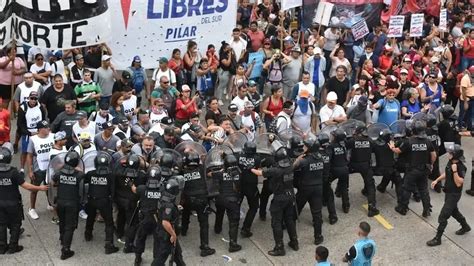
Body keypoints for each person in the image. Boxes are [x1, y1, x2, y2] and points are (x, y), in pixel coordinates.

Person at [0, 146, 48, 254]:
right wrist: (39, 188)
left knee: (1, 224)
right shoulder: (13, 172)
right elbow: (27, 186)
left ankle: (2, 247)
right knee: (16, 224)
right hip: (13, 204)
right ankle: (13, 247)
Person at [252, 147, 298, 256]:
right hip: (290, 196)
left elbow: (259, 173)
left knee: (276, 223)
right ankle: (294, 242)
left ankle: (279, 248)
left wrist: (250, 169)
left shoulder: (275, 170)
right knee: (289, 220)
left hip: (279, 199)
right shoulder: (291, 166)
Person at [389, 121, 437, 217]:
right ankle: (426, 210)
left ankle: (402, 208)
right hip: (424, 169)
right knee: (423, 190)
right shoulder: (427, 141)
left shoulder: (408, 141)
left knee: (406, 189)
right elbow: (434, 155)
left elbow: (398, 151)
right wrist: (431, 164)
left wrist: (392, 147)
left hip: (412, 170)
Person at [427, 144, 471, 246]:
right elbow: (447, 173)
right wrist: (437, 180)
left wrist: (455, 170)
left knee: (443, 216)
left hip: (454, 195)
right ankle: (465, 226)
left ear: (455, 155)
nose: (448, 154)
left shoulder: (461, 167)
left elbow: (459, 182)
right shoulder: (450, 162)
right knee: (454, 212)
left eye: (450, 153)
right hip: (448, 193)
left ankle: (438, 239)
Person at [180, 151, 216, 257]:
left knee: (186, 214)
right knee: (204, 223)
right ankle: (204, 247)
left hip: (187, 199)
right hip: (201, 199)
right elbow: (205, 162)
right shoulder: (201, 168)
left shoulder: (182, 171)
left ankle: (184, 230)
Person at [83, 152, 119, 254]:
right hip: (104, 201)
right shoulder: (111, 175)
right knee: (109, 223)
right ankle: (109, 245)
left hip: (91, 200)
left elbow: (84, 183)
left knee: (90, 217)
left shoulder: (91, 174)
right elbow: (113, 190)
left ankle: (88, 234)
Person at [51, 151, 84, 260]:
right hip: (72, 203)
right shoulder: (79, 175)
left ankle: (62, 238)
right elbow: (82, 176)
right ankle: (65, 250)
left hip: (60, 202)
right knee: (70, 226)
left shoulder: (59, 174)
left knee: (63, 221)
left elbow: (53, 182)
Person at [294, 139, 324, 245]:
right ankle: (318, 236)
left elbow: (292, 168)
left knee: (296, 208)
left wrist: (297, 159)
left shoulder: (304, 160)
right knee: (317, 213)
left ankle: (290, 232)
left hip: (305, 188)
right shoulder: (321, 158)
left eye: (305, 146)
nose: (303, 148)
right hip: (318, 188)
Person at [346, 124, 379, 217]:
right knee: (370, 184)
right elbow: (375, 149)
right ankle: (372, 207)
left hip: (353, 165)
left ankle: (340, 193)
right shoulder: (370, 141)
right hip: (365, 165)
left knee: (343, 177)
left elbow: (345, 145)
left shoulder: (352, 140)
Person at [131, 166, 162, 265]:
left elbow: (134, 190)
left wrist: (130, 183)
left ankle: (137, 258)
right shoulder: (162, 189)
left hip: (144, 218)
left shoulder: (142, 188)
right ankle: (156, 260)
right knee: (157, 240)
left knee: (141, 238)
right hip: (157, 218)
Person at [212, 154, 242, 252]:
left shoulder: (220, 173)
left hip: (221, 198)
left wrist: (220, 171)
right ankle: (233, 244)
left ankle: (217, 228)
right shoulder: (239, 173)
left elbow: (209, 174)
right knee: (233, 222)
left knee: (219, 213)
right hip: (232, 201)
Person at [152, 178, 185, 266]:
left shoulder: (163, 195)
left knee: (178, 254)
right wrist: (173, 235)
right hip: (167, 234)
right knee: (161, 258)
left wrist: (176, 208)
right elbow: (165, 222)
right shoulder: (169, 205)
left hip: (163, 231)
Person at [26, 120, 54, 220]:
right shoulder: (33, 139)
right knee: (34, 188)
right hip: (38, 168)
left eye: (48, 127)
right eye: (46, 128)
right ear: (40, 129)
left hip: (51, 168)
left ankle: (50, 203)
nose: (48, 129)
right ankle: (32, 209)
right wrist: (30, 170)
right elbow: (29, 155)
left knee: (49, 186)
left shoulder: (53, 136)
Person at [17, 91, 46, 172]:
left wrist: (42, 130)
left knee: (38, 150)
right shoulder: (23, 108)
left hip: (38, 132)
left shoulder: (40, 106)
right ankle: (22, 169)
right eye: (32, 98)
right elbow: (20, 124)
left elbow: (43, 119)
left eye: (35, 99)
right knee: (25, 151)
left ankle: (37, 167)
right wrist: (29, 133)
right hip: (27, 133)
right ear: (29, 98)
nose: (33, 100)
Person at [237, 141, 260, 238]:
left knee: (236, 204)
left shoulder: (238, 157)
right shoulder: (257, 158)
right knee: (254, 207)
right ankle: (246, 228)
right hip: (251, 186)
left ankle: (233, 223)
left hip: (240, 184)